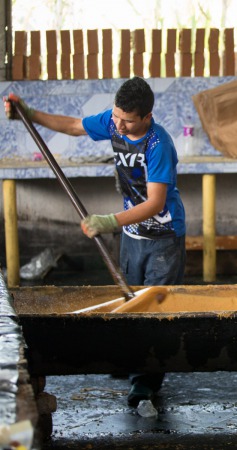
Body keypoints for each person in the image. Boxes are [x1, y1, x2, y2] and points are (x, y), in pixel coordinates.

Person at [4, 77, 186, 407]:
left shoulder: (160, 145)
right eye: (116, 116)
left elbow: (156, 203)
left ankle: (146, 381)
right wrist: (30, 113)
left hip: (163, 239)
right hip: (133, 235)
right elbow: (74, 125)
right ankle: (134, 361)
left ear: (146, 116)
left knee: (155, 309)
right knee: (131, 302)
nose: (117, 124)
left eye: (127, 120)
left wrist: (108, 221)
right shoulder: (115, 121)